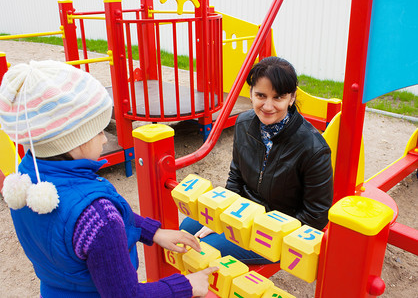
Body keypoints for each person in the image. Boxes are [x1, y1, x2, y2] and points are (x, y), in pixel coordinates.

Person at [0, 60, 217, 298]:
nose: (105, 140)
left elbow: (100, 223)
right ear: (75, 139)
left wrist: (153, 232)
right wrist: (187, 284)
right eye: (99, 131)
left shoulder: (25, 181)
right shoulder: (98, 215)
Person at [180, 56, 333, 264]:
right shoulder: (245, 123)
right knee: (187, 228)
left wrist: (258, 229)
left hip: (278, 229)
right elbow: (236, 177)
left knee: (207, 250)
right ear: (251, 93)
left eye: (278, 97)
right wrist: (222, 216)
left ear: (292, 98)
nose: (268, 106)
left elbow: (316, 215)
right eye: (261, 95)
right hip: (243, 210)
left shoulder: (313, 148)